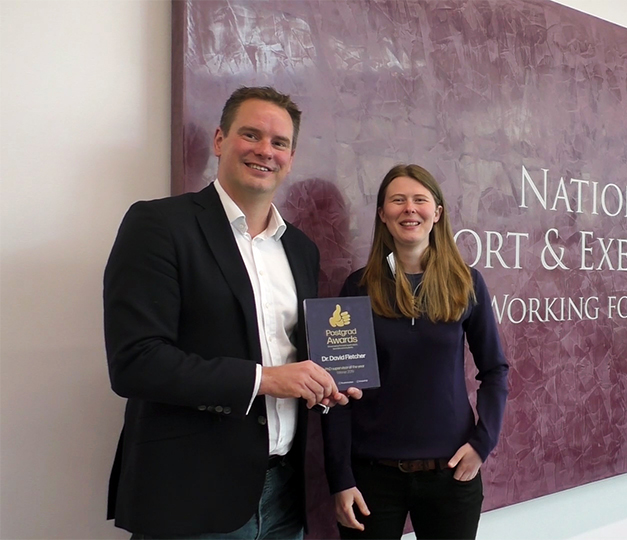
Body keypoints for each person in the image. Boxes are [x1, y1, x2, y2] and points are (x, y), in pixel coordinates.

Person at [103, 86, 360, 538]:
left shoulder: (300, 249)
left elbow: (292, 355)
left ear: (292, 157)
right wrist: (265, 379)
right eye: (251, 135)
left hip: (285, 494)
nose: (265, 150)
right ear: (220, 140)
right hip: (192, 496)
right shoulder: (159, 225)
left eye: (279, 143)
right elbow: (135, 362)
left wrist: (325, 382)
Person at [322, 164, 509, 539]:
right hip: (371, 478)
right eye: (398, 200)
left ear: (437, 213)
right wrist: (340, 478)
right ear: (382, 214)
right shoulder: (357, 287)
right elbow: (336, 390)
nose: (410, 208)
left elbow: (494, 370)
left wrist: (482, 443)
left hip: (450, 473)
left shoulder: (466, 282)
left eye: (420, 199)